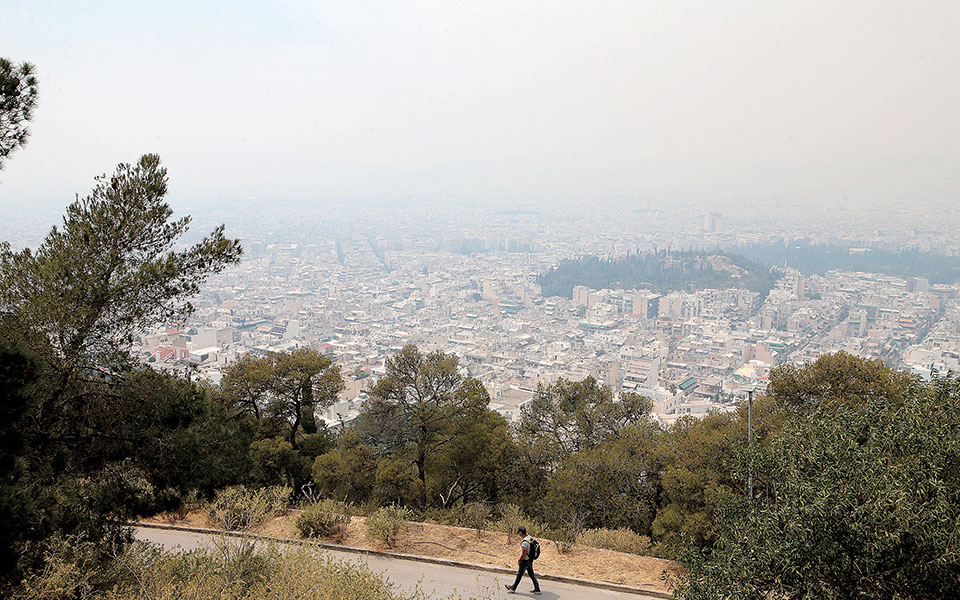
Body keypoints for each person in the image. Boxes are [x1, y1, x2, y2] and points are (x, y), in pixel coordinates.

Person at [505, 526, 541, 595]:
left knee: (519, 574)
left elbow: (523, 554)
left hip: (525, 560)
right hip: (530, 559)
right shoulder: (529, 538)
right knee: (531, 574)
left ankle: (513, 588)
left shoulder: (524, 542)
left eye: (519, 532)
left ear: (521, 533)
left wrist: (520, 560)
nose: (518, 534)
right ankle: (537, 589)